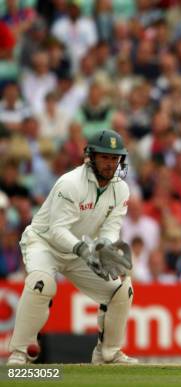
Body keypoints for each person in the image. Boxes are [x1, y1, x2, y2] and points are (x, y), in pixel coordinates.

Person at [7, 129, 135, 365]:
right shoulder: (70, 184)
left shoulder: (121, 189)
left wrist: (103, 248)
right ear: (91, 157)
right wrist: (85, 250)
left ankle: (108, 353)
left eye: (114, 158)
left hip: (79, 251)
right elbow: (57, 231)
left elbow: (110, 228)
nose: (110, 164)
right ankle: (20, 352)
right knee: (41, 284)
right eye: (105, 157)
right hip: (44, 242)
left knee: (121, 290)